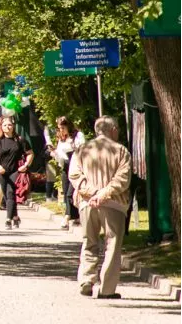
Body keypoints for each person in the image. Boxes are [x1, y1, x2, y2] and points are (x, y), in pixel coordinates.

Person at [68, 116, 132, 299]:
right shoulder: (121, 151)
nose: (118, 131)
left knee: (89, 242)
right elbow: (123, 178)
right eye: (117, 128)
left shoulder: (81, 150)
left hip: (87, 203)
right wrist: (103, 193)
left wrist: (91, 192)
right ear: (112, 129)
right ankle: (107, 289)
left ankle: (86, 280)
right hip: (114, 204)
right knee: (112, 245)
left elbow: (74, 175)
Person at [0, 116, 30, 229]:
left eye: (10, 125)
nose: (8, 127)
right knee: (7, 195)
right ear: (2, 127)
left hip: (15, 170)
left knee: (11, 193)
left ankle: (8, 220)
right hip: (2, 170)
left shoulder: (19, 140)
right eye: (5, 125)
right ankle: (15, 216)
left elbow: (30, 153)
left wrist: (26, 165)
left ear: (13, 126)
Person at [52, 116, 83, 231]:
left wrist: (73, 145)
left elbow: (81, 149)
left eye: (63, 128)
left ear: (68, 126)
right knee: (66, 193)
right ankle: (75, 217)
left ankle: (67, 217)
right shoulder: (61, 138)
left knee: (71, 192)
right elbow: (60, 154)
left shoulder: (77, 136)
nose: (61, 130)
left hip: (75, 165)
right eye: (59, 128)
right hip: (65, 166)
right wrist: (54, 153)